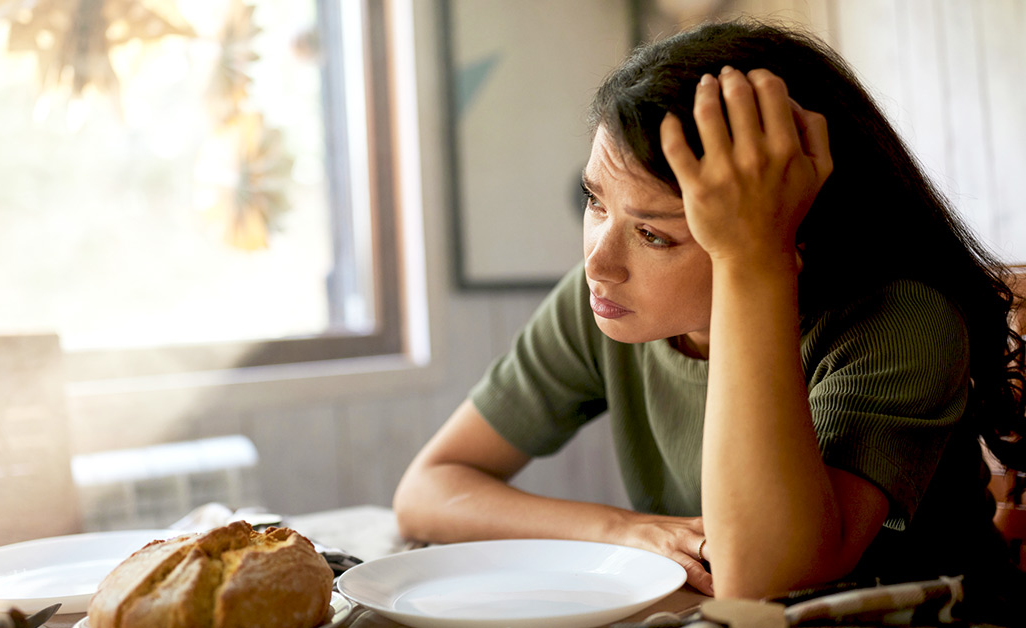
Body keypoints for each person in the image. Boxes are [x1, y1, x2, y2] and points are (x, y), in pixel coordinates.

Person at [392, 17, 1026, 615]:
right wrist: (626, 531)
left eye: (655, 235)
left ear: (790, 233)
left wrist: (757, 263)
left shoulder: (902, 321)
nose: (598, 263)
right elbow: (427, 490)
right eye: (595, 201)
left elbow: (767, 578)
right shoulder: (606, 301)